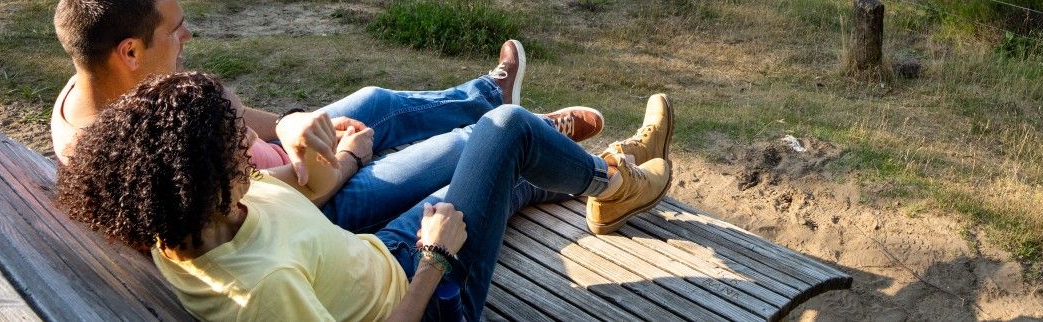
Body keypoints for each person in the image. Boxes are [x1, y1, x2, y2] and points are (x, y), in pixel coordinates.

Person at [57, 71, 676, 322]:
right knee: (503, 130)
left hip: (375, 254)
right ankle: (613, 183)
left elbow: (305, 187)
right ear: (199, 177)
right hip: (428, 298)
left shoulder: (197, 217)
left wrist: (348, 152)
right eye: (234, 145)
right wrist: (435, 261)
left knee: (504, 173)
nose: (252, 147)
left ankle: (604, 168)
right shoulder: (261, 290)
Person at [49, 0, 602, 232]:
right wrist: (343, 158)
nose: (188, 36)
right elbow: (261, 201)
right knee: (465, 148)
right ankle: (540, 141)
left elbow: (237, 117)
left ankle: (490, 92)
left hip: (299, 163)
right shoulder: (127, 150)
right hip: (321, 202)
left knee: (375, 100)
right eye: (176, 28)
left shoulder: (102, 86)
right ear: (128, 50)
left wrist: (292, 123)